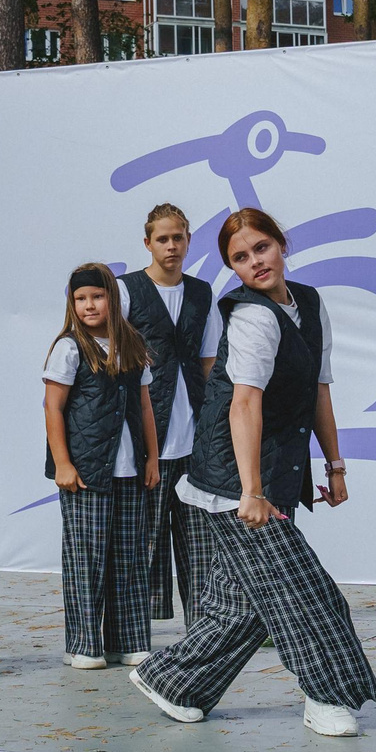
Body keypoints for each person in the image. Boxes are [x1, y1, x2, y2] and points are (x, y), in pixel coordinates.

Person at [131, 208, 376, 737]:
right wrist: (251, 492)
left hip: (278, 472)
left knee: (242, 606)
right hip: (234, 481)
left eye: (261, 248)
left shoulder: (309, 304)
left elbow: (319, 390)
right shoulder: (250, 316)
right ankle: (326, 696)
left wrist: (335, 465)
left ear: (281, 245)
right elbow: (243, 405)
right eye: (239, 258)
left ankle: (174, 680)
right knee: (303, 592)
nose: (254, 263)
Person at [45, 265, 163, 668]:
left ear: (113, 299)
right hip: (86, 473)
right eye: (81, 299)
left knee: (129, 557)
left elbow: (145, 406)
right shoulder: (69, 348)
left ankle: (127, 640)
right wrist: (63, 462)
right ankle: (83, 644)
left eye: (97, 296)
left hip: (131, 473)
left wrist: (152, 458)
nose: (89, 305)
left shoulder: (131, 345)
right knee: (87, 558)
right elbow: (54, 408)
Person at [120, 204, 219, 624]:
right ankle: (135, 634)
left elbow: (210, 363)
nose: (171, 245)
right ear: (148, 243)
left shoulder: (201, 292)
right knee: (144, 542)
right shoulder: (125, 291)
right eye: (162, 238)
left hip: (195, 442)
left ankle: (202, 633)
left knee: (200, 548)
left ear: (189, 241)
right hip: (148, 442)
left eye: (178, 237)